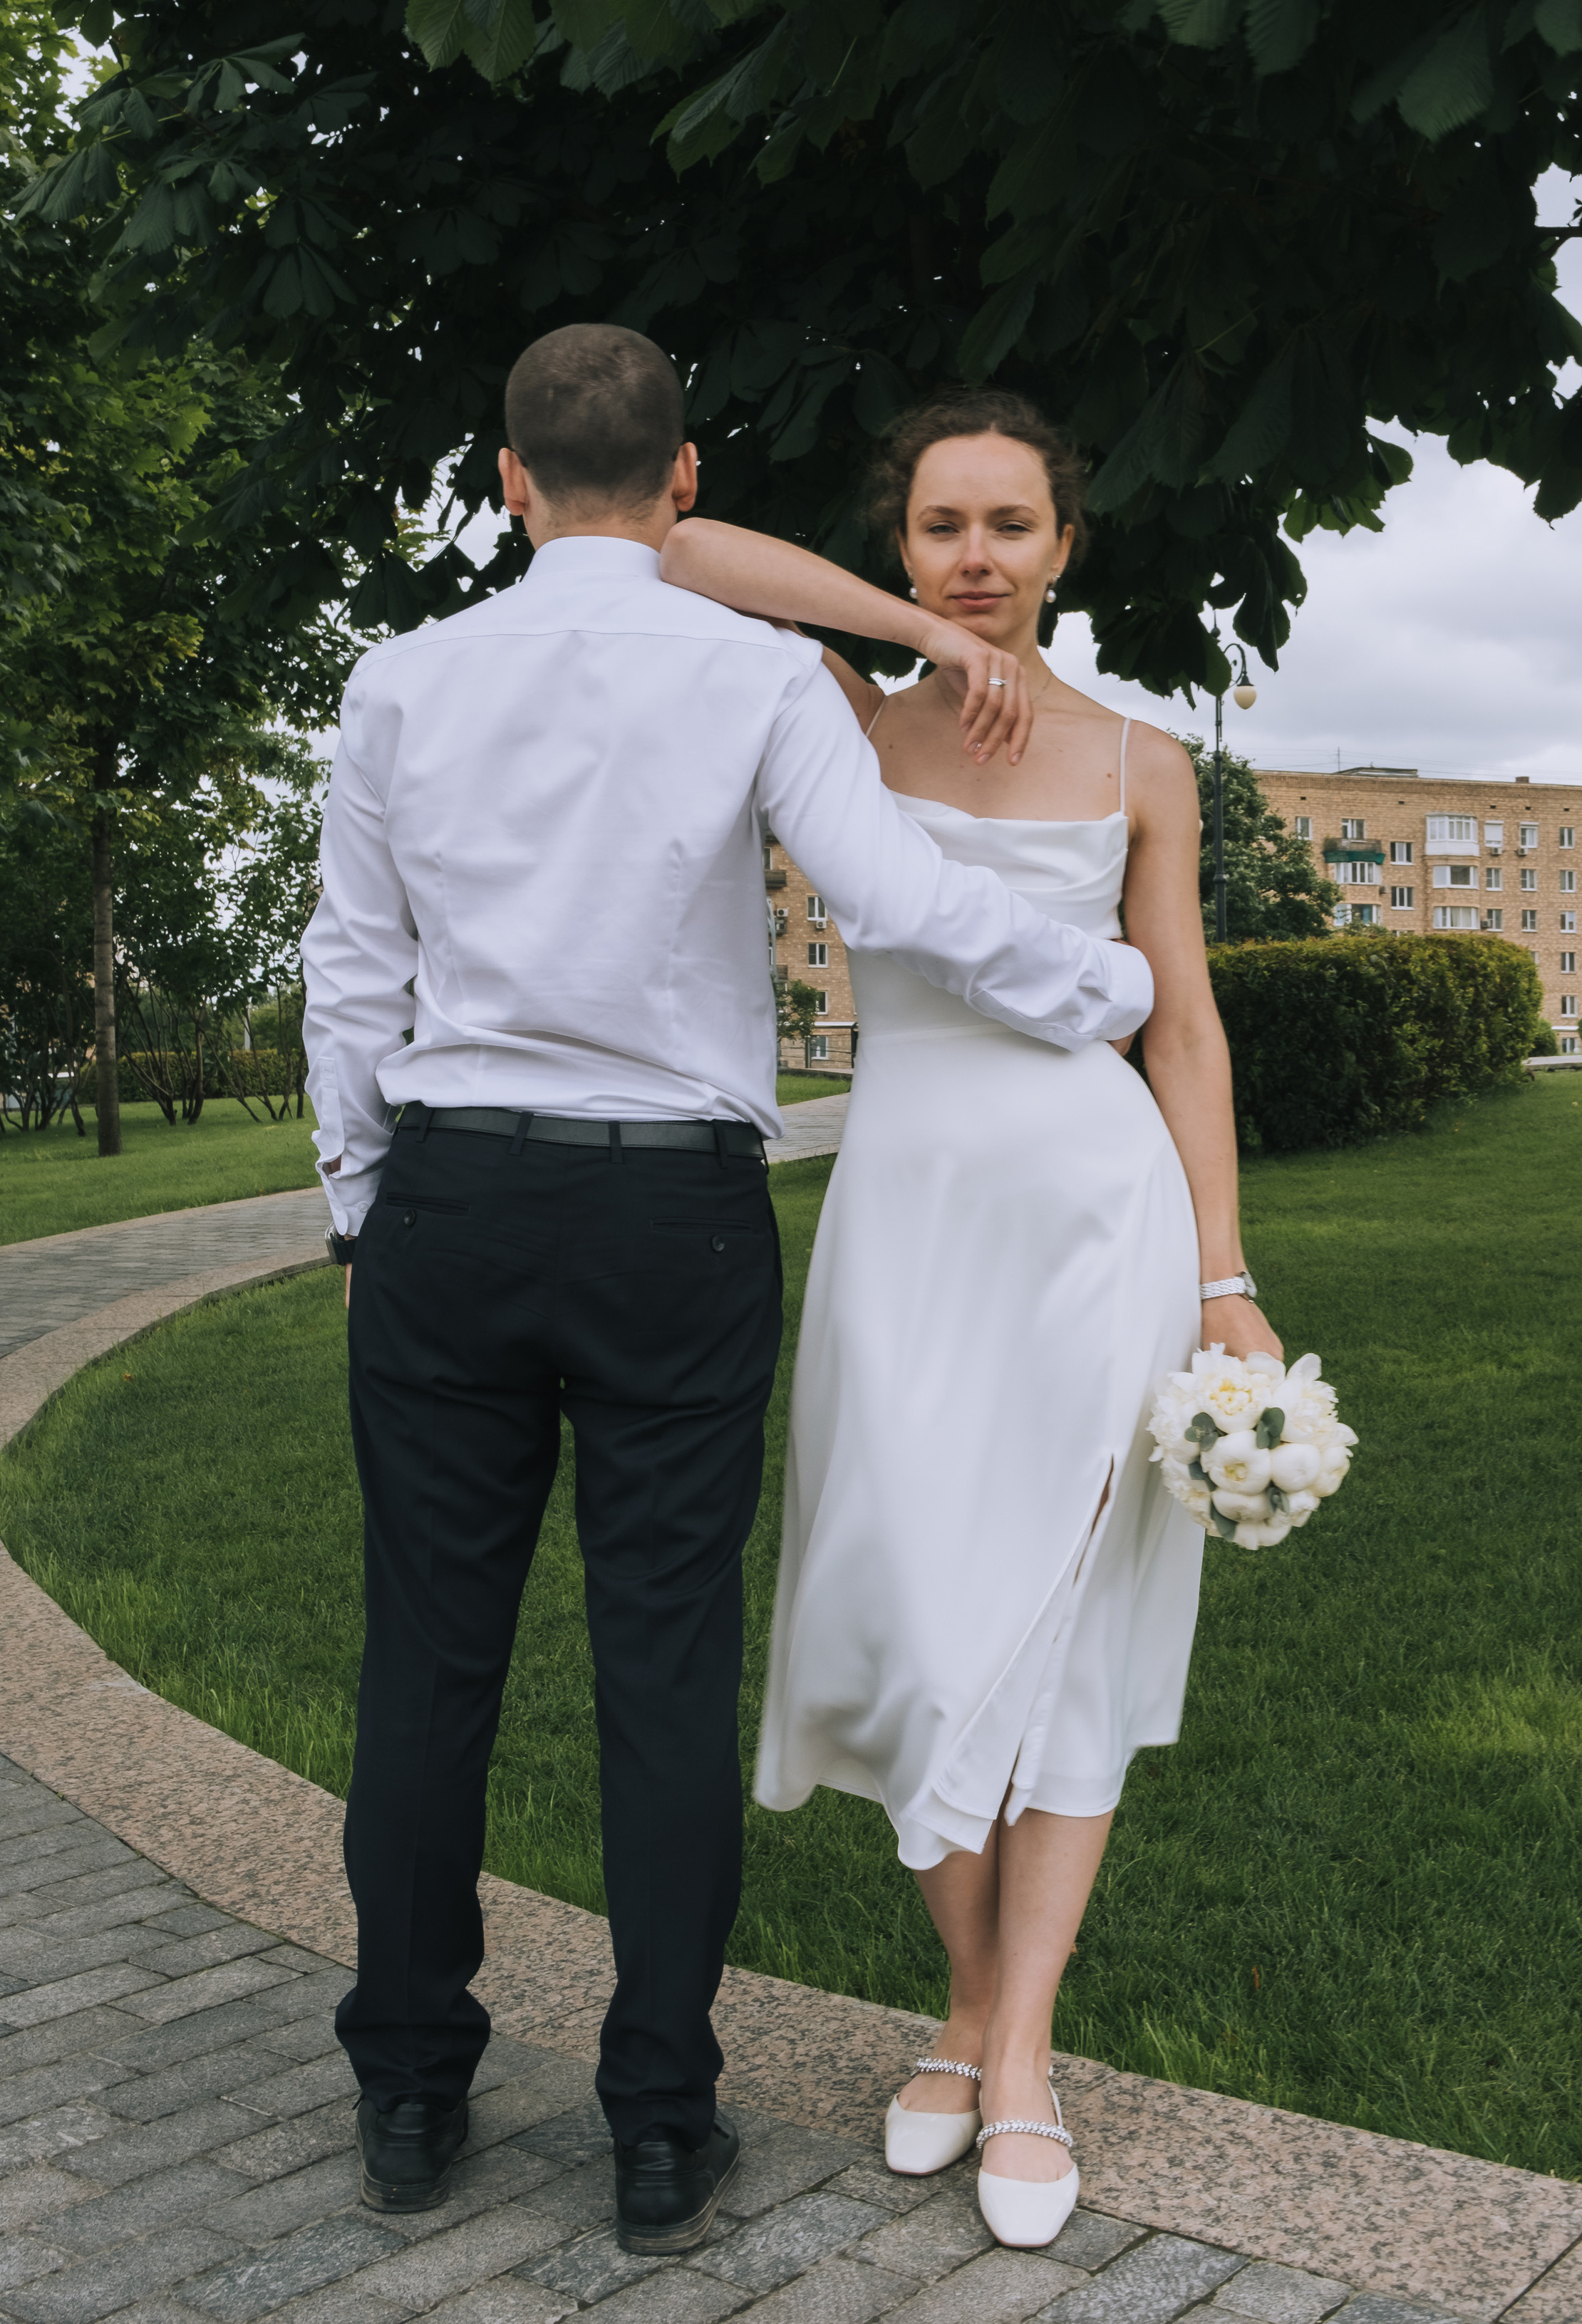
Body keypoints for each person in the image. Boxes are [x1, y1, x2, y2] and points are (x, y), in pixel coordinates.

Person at [299, 330, 1153, 2255]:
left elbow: (354, 975)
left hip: (448, 1198)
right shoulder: (755, 674)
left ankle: (414, 2086)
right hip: (672, 1217)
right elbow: (906, 902)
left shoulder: (400, 683)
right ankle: (660, 2124)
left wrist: (367, 1209)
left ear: (508, 480)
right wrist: (1104, 993)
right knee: (661, 1667)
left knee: (427, 1662)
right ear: (683, 480)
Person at [658, 387, 1281, 2249]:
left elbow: (1181, 1027)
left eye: (1011, 528)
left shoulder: (1144, 763)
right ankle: (973, 2002)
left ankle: (1013, 2052)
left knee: (1059, 1642)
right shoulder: (838, 721)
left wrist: (1227, 1279)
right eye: (945, 529)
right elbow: (679, 549)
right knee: (912, 1617)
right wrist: (917, 642)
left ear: (1068, 546)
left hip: (1099, 1224)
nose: (980, 558)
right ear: (906, 545)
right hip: (907, 1218)